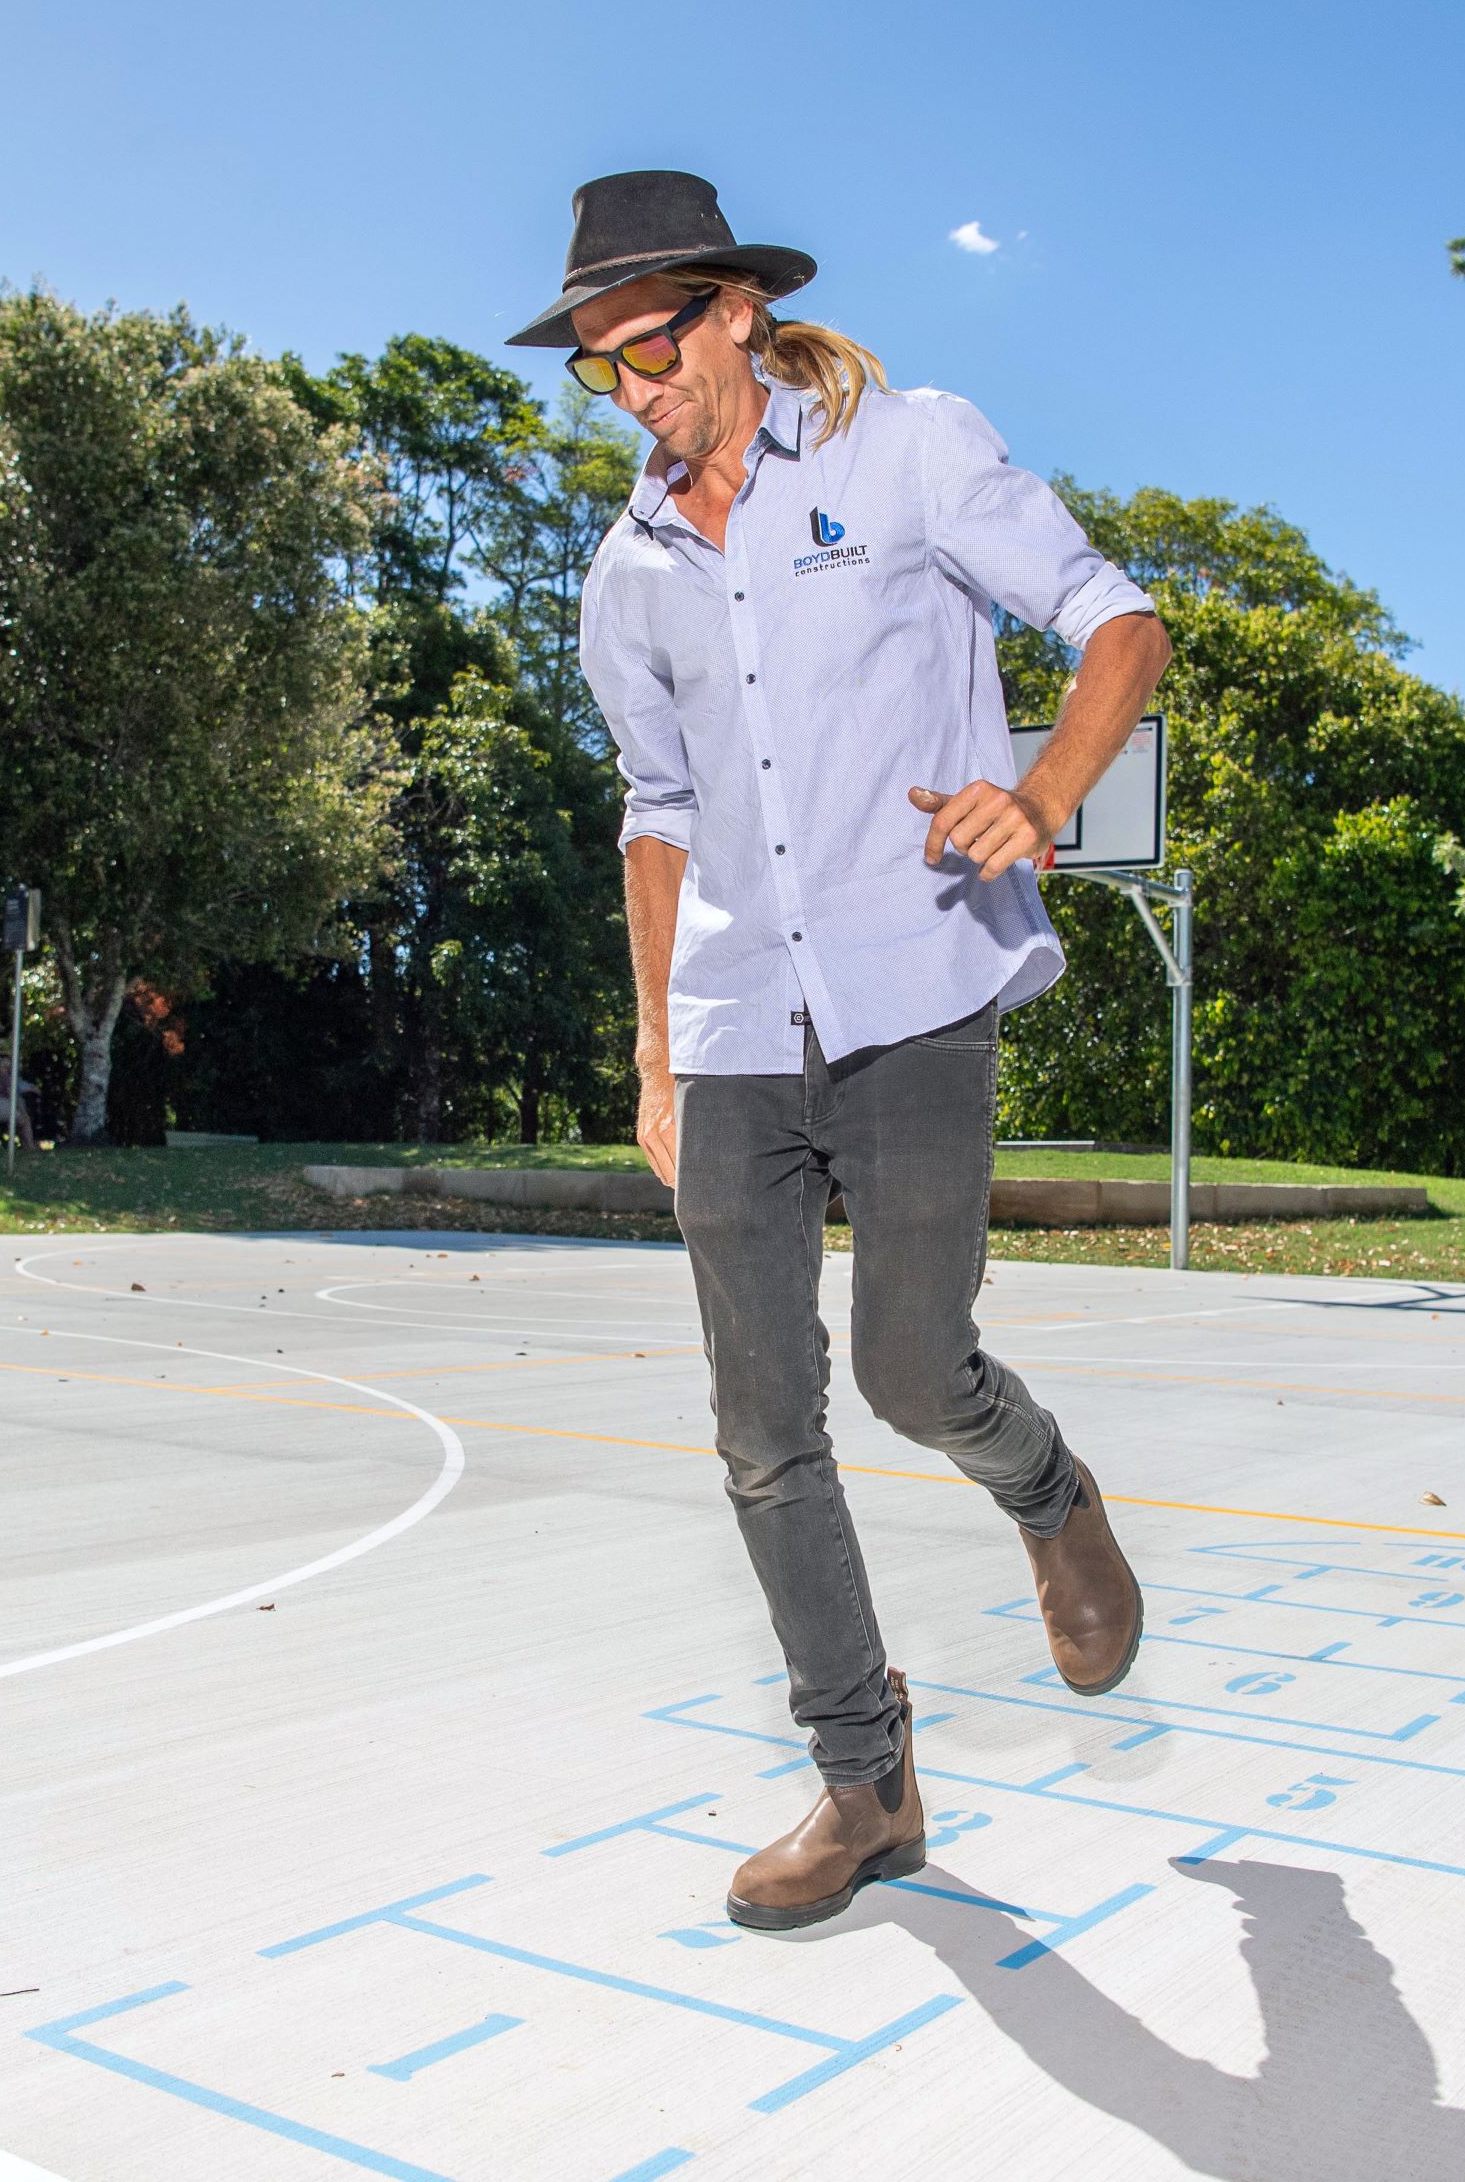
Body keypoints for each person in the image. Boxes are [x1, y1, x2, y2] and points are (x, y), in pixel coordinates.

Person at [525, 172, 1173, 1930]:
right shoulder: (628, 568)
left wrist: (1040, 793)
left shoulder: (906, 450)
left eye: (647, 345)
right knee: (757, 1427)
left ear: (734, 309)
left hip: (912, 985)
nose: (630, 386)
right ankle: (863, 1781)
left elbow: (1118, 622)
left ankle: (1048, 1491)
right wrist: (654, 1057)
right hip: (736, 1025)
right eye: (597, 366)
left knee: (908, 1366)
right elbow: (655, 814)